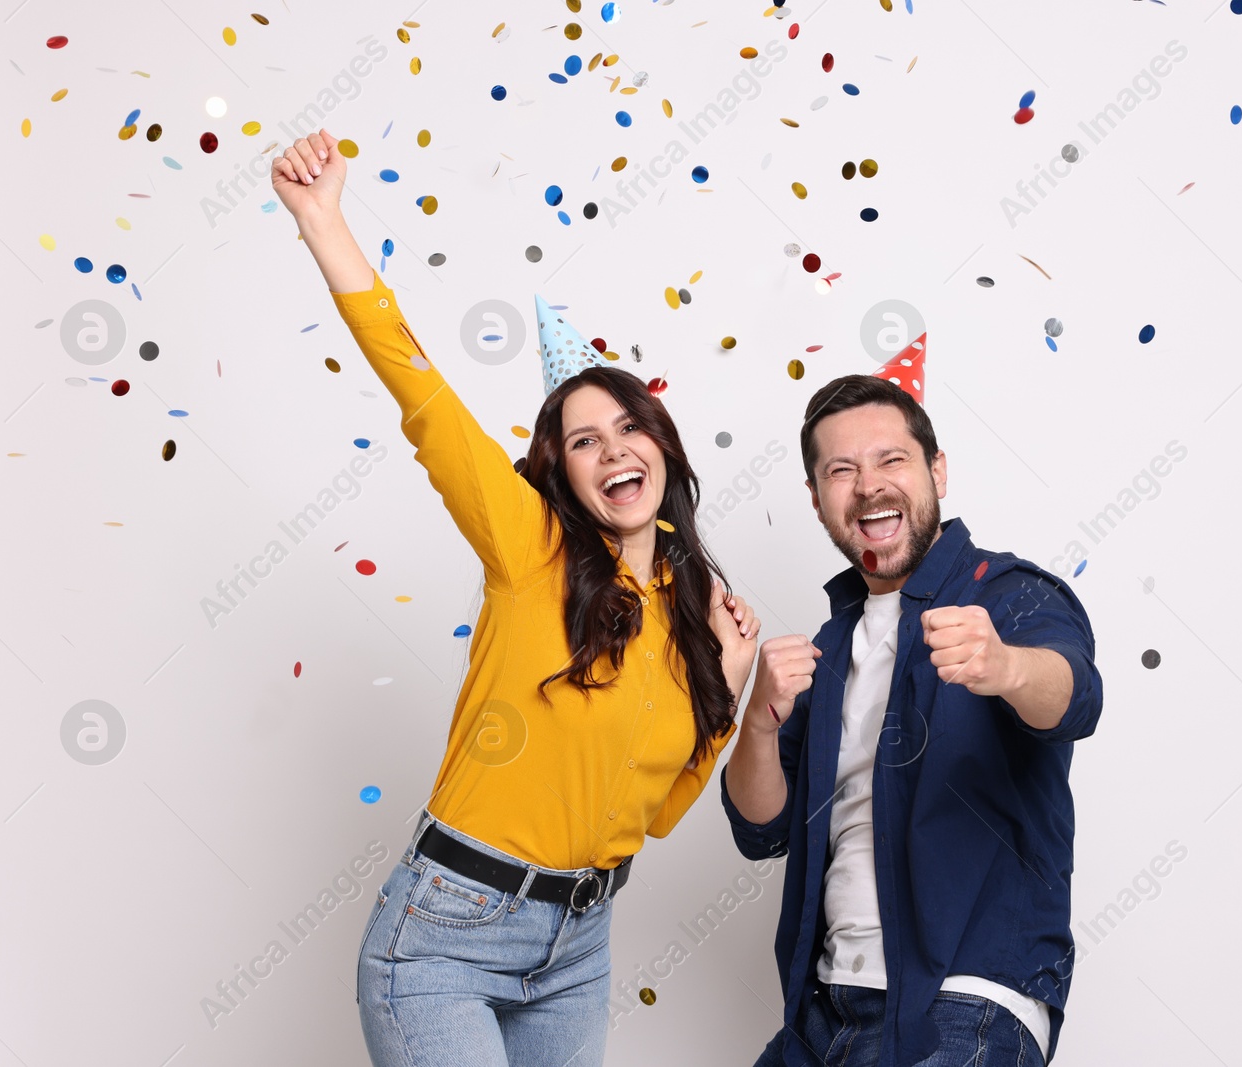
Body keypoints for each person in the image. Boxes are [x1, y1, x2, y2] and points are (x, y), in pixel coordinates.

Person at [271, 128, 762, 1067]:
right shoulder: (527, 544)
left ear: (662, 446)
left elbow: (649, 816)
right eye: (583, 440)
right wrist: (325, 222)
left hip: (578, 945)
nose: (613, 449)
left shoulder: (682, 607)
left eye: (629, 426)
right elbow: (423, 397)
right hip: (445, 933)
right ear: (560, 473)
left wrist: (725, 693)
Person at [722, 374, 1104, 1066]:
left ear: (938, 471)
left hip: (965, 999)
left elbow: (1076, 697)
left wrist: (1006, 666)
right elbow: (761, 829)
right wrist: (756, 720)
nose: (869, 485)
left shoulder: (1008, 595)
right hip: (822, 1012)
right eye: (842, 470)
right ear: (818, 501)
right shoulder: (830, 644)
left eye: (891, 459)